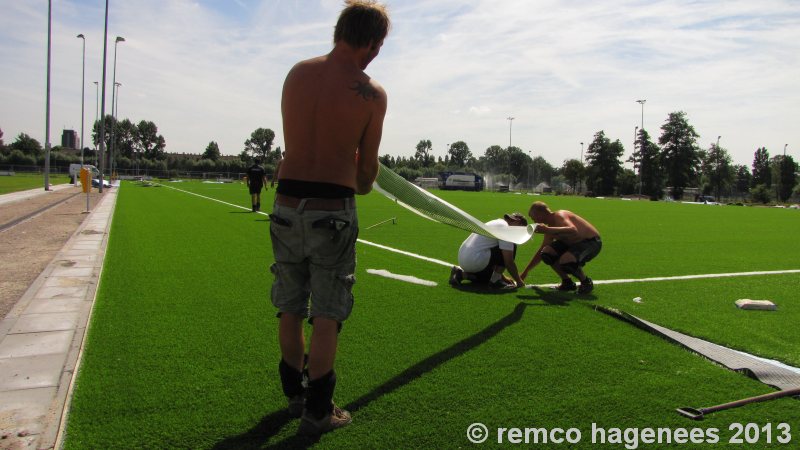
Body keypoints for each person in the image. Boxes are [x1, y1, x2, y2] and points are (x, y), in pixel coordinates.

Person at [270, 0, 389, 436]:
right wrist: (361, 173)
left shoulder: (297, 72)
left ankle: (293, 395)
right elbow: (364, 177)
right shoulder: (372, 94)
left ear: (338, 30)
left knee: (288, 304)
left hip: (285, 203)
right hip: (331, 210)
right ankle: (319, 411)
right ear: (374, 45)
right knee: (325, 314)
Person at [521, 201, 602, 294]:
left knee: (566, 260)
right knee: (547, 252)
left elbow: (573, 230)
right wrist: (525, 272)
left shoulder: (559, 215)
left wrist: (547, 230)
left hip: (591, 242)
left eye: (533, 217)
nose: (534, 221)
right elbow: (541, 251)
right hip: (573, 244)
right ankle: (567, 282)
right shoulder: (550, 228)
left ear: (540, 214)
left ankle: (586, 282)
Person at [449, 213, 528, 289]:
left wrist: (502, 277)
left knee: (487, 278)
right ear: (519, 223)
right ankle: (496, 280)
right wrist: (519, 281)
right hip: (476, 259)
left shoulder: (496, 222)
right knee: (511, 246)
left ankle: (461, 274)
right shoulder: (507, 229)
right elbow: (508, 262)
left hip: (464, 258)